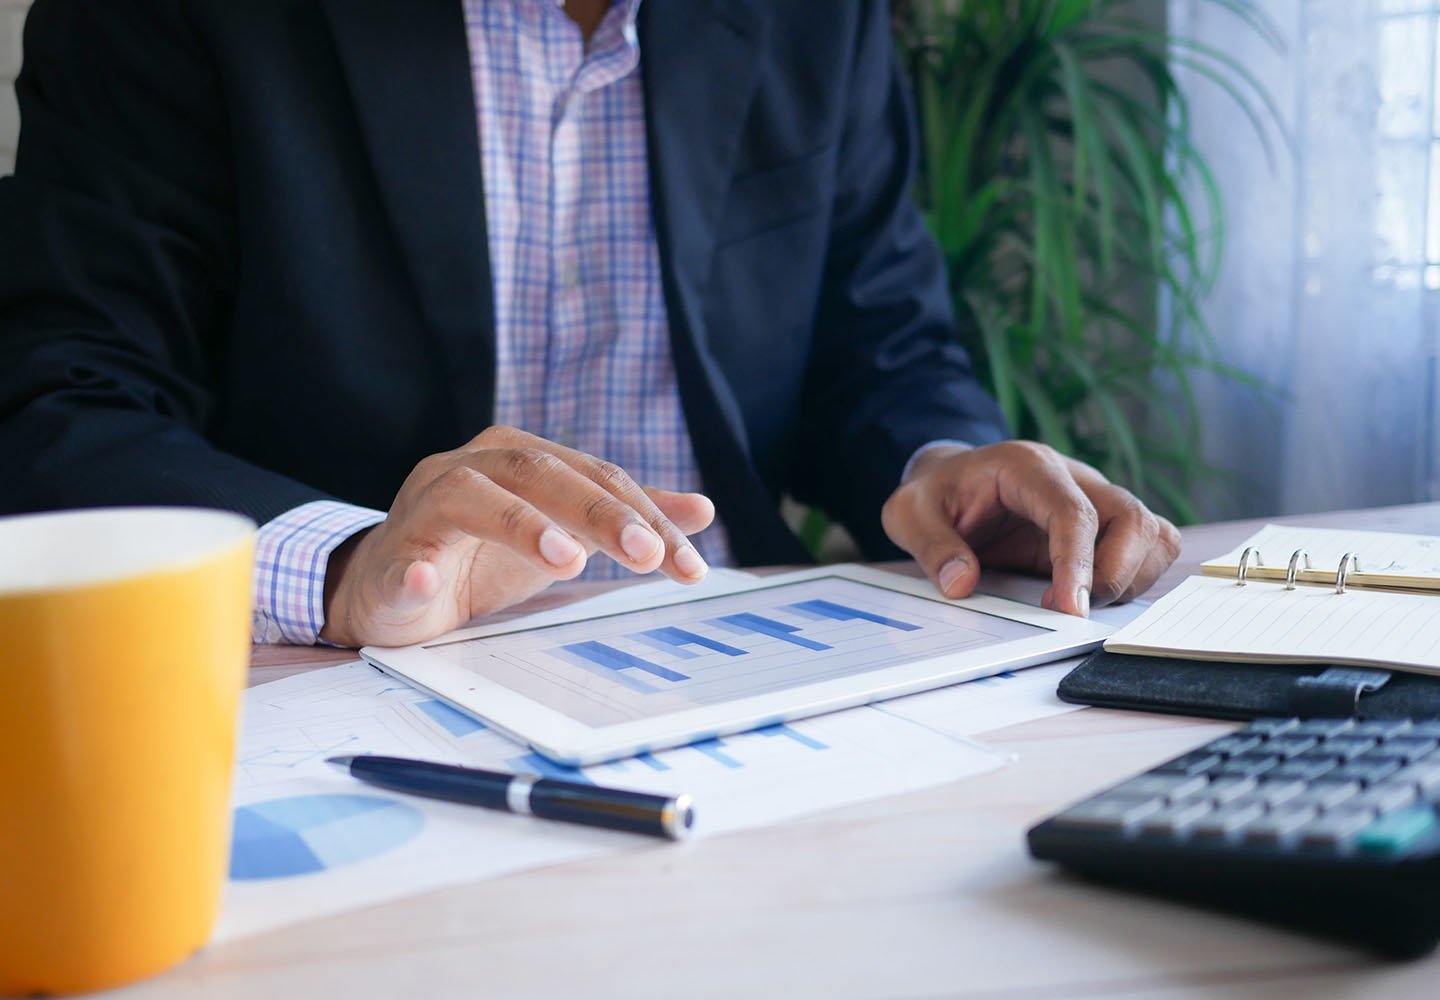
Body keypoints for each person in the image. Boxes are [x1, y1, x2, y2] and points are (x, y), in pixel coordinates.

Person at [0, 0, 1179, 648]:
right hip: (345, 678)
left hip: (745, 661)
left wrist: (950, 465)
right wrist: (354, 567)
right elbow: (57, 403)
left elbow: (876, 340)